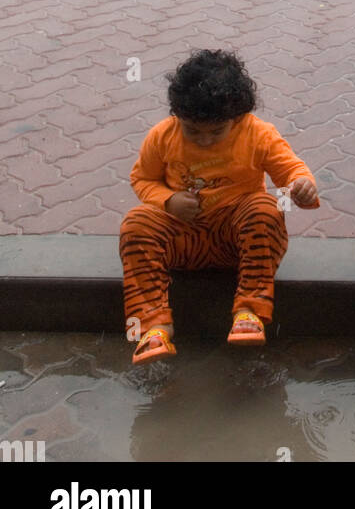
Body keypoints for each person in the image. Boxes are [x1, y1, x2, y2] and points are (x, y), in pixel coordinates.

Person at [120, 49, 319, 364]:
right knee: (136, 223)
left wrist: (301, 186)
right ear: (177, 115)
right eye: (193, 131)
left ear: (237, 117)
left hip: (237, 243)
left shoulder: (257, 133)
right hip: (184, 242)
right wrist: (168, 201)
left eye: (216, 132)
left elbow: (290, 170)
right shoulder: (162, 136)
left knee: (264, 208)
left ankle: (249, 312)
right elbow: (142, 179)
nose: (204, 140)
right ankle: (154, 326)